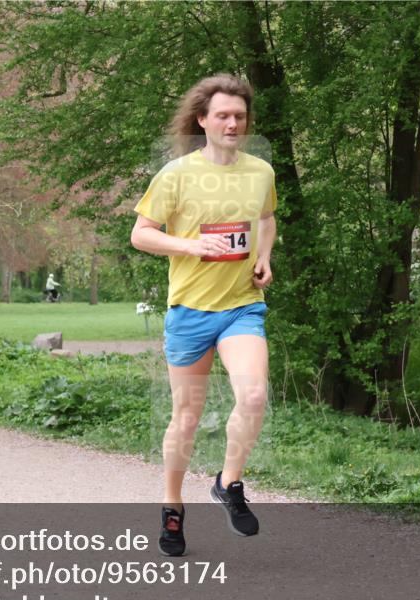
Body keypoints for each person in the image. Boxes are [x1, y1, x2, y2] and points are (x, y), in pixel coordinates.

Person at [131, 73, 276, 557]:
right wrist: (192, 245)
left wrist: (264, 256)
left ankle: (228, 482)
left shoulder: (260, 172)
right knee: (187, 418)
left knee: (253, 395)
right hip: (190, 312)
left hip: (240, 309)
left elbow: (266, 219)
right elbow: (142, 234)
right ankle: (172, 507)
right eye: (223, 116)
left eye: (240, 116)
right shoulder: (175, 175)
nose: (233, 123)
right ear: (202, 121)